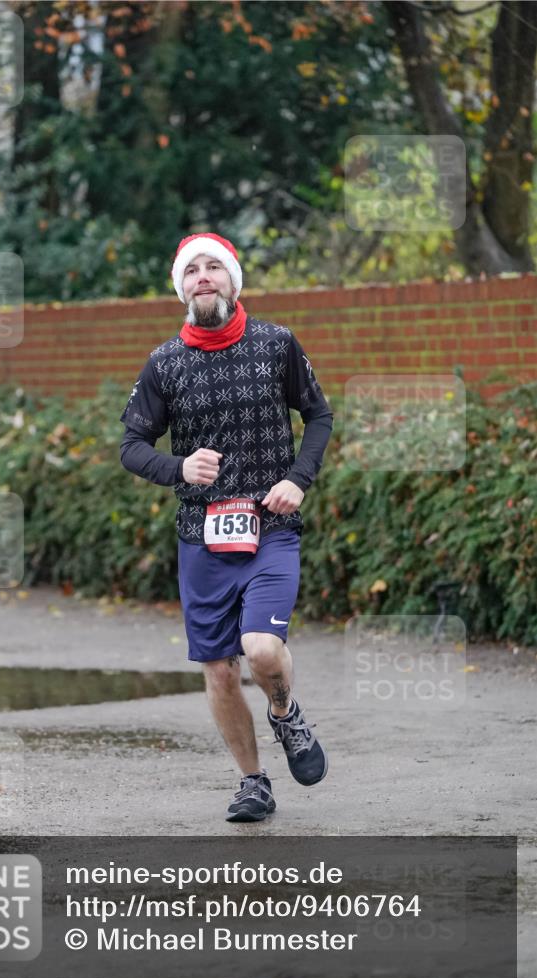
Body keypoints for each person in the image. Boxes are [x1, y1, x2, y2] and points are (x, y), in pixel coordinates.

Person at [120, 233, 334, 822]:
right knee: (219, 668)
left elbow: (318, 415)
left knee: (262, 651)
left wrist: (299, 478)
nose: (203, 277)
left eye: (215, 267)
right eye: (192, 271)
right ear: (181, 289)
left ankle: (286, 713)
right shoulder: (165, 363)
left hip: (270, 529)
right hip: (202, 536)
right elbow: (132, 447)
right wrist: (178, 467)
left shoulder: (276, 344)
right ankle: (253, 783)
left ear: (234, 281)